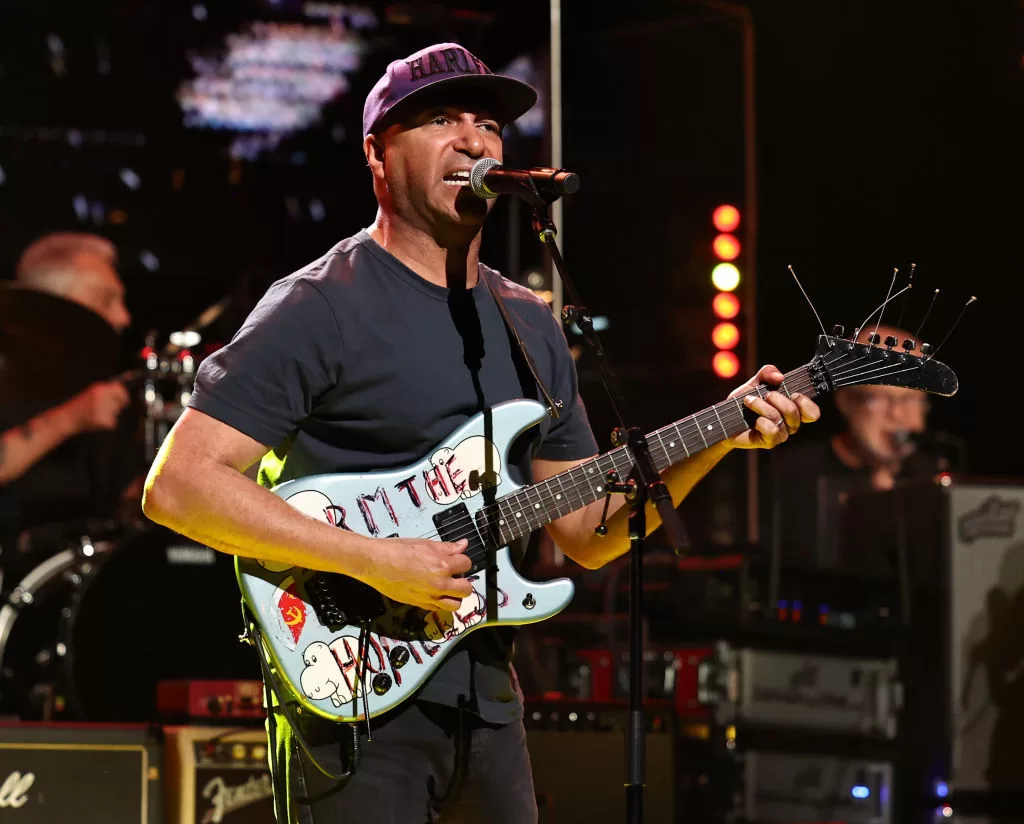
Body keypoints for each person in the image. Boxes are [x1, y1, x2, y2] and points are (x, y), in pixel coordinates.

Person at [142, 42, 820, 824]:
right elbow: (180, 485)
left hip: (489, 702)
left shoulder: (529, 323)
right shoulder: (318, 306)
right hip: (350, 697)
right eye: (441, 119)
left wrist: (721, 438)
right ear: (376, 152)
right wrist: (375, 560)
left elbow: (587, 533)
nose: (474, 141)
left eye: (489, 124)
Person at [762, 323, 958, 567]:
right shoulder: (789, 475)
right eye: (881, 397)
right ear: (845, 401)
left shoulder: (938, 479)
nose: (897, 414)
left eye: (910, 398)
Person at [0, 232, 134, 536]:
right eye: (106, 300)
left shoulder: (104, 388)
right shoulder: (7, 378)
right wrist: (71, 418)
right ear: (52, 307)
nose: (123, 317)